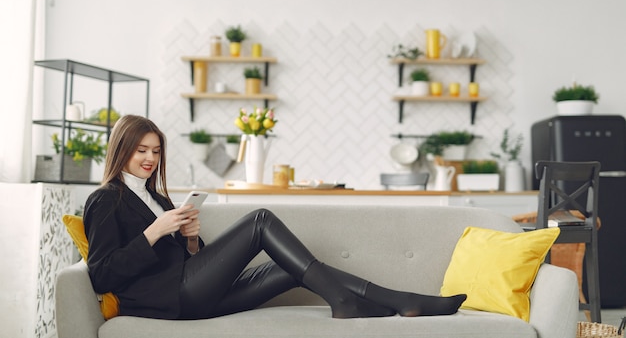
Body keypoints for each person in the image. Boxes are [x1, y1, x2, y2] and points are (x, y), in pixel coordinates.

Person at [84, 115, 466, 320]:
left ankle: (404, 301)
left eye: (154, 152)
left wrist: (189, 240)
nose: (150, 160)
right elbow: (102, 274)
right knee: (260, 220)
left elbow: (183, 261)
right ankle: (344, 302)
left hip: (195, 295)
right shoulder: (105, 200)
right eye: (141, 152)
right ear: (122, 150)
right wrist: (153, 233)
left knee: (287, 268)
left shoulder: (155, 197)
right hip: (172, 300)